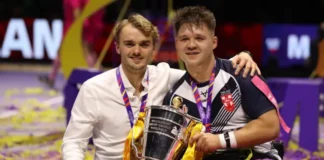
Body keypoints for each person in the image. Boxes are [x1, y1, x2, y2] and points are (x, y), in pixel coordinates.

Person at [62, 13, 262, 159]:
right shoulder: (93, 89)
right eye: (129, 44)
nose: (137, 51)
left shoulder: (165, 76)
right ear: (117, 47)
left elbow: (209, 69)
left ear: (153, 49)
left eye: (144, 44)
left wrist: (243, 56)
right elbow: (73, 142)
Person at [163, 6, 289, 160]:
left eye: (199, 38)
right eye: (184, 39)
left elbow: (271, 126)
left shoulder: (240, 73)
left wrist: (219, 141)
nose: (191, 45)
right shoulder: (174, 97)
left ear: (214, 42)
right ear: (176, 44)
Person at [39, 0, 104, 88]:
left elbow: (77, 13)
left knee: (86, 52)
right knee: (87, 52)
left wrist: (77, 31)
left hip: (74, 27)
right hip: (85, 25)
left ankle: (101, 79)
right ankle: (51, 77)